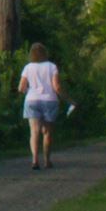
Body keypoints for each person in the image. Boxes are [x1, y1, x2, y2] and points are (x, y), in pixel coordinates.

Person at [17, 42, 62, 170]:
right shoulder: (52, 67)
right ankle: (47, 160)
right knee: (47, 132)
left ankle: (35, 160)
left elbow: (21, 87)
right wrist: (66, 98)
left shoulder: (28, 67)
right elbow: (56, 86)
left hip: (32, 100)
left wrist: (29, 92)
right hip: (50, 100)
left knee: (34, 131)